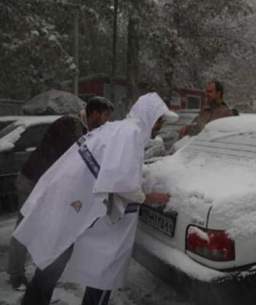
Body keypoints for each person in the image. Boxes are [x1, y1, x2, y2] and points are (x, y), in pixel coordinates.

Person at [13, 92, 177, 305]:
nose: (160, 126)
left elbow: (114, 171)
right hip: (75, 200)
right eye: (159, 120)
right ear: (149, 115)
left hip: (71, 197)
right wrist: (147, 197)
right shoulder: (131, 134)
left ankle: (33, 301)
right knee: (78, 259)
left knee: (56, 252)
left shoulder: (120, 129)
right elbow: (119, 183)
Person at [7, 96, 114, 291]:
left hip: (46, 187)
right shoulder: (70, 124)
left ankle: (43, 270)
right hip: (32, 182)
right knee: (25, 228)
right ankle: (15, 274)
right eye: (106, 116)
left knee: (47, 228)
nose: (107, 121)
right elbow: (78, 155)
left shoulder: (83, 130)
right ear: (96, 113)